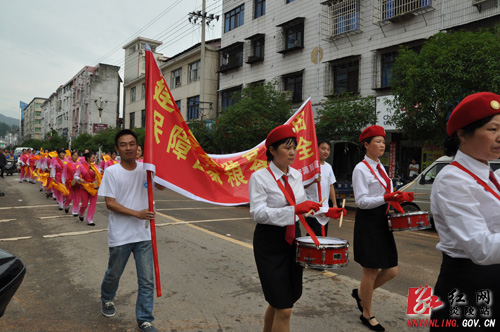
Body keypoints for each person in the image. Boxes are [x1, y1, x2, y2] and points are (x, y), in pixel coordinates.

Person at [249, 124, 345, 332]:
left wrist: (327, 212)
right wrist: (293, 210)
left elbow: (304, 208)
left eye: (294, 147)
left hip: (293, 241)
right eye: (286, 147)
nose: (292, 152)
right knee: (284, 308)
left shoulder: (297, 176)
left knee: (281, 301)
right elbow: (258, 213)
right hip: (270, 243)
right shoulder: (259, 177)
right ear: (272, 151)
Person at [429, 92, 500, 330]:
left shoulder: (491, 175)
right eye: (493, 129)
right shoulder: (453, 179)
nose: (499, 137)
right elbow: (481, 248)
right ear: (463, 134)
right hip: (468, 285)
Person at [98, 129, 165, 332]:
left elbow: (161, 187)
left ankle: (145, 319)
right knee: (114, 273)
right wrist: (137, 214)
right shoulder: (112, 172)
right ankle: (107, 298)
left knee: (146, 280)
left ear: (138, 147)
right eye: (124, 144)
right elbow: (110, 203)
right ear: (117, 149)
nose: (129, 148)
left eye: (132, 144)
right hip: (121, 235)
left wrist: (161, 167)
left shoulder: (146, 168)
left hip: (143, 234)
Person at [351, 125, 414, 332]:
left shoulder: (381, 168)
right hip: (368, 221)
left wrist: (399, 197)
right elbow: (361, 201)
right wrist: (385, 197)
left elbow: (388, 192)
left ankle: (361, 294)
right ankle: (367, 313)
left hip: (382, 220)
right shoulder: (360, 169)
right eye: (377, 141)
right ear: (366, 145)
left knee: (392, 270)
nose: (382, 144)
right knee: (370, 270)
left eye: (383, 141)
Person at [304, 140, 338, 237]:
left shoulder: (328, 167)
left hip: (324, 208)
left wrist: (334, 204)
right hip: (312, 208)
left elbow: (331, 185)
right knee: (315, 236)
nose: (326, 151)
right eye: (323, 149)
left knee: (323, 235)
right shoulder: (310, 166)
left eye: (328, 149)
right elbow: (302, 186)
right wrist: (313, 181)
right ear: (316, 149)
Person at [74, 152, 100, 226]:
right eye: (92, 157)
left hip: (93, 187)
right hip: (84, 187)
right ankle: (81, 213)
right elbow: (75, 176)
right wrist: (79, 179)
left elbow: (99, 176)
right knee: (84, 204)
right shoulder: (81, 166)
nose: (94, 159)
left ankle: (89, 219)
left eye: (94, 157)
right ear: (88, 158)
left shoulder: (96, 166)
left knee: (93, 204)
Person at [63, 151, 81, 216]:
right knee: (69, 197)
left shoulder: (80, 164)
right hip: (69, 182)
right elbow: (64, 174)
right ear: (71, 156)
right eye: (74, 155)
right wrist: (63, 182)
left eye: (77, 156)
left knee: (77, 197)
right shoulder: (67, 164)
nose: (76, 157)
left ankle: (75, 211)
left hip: (77, 183)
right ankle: (66, 205)